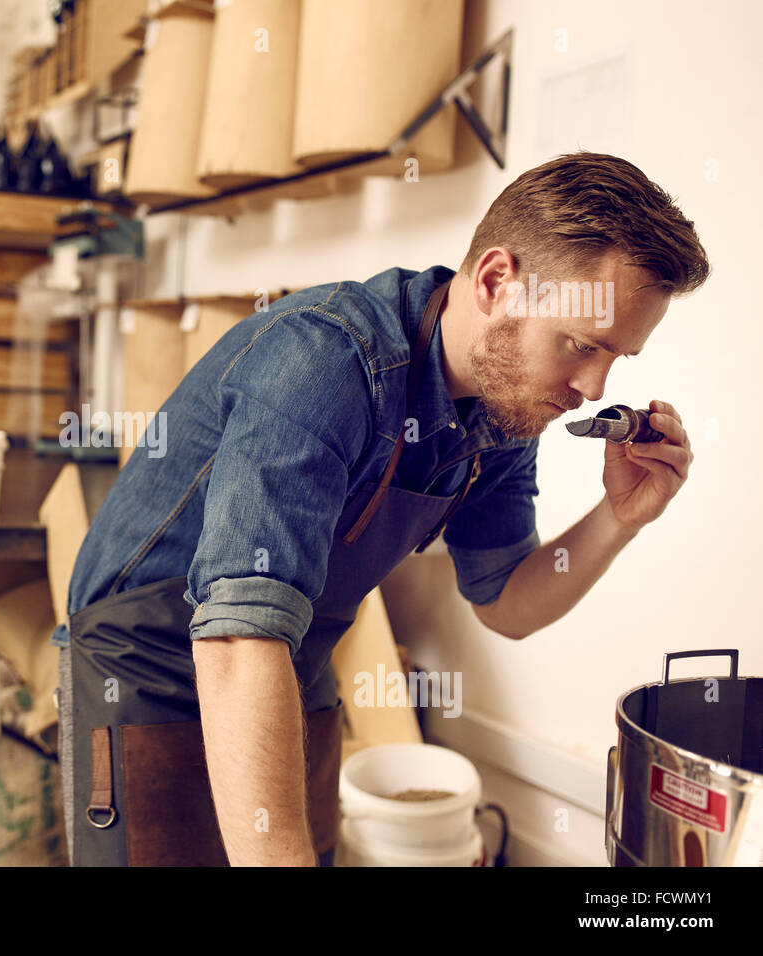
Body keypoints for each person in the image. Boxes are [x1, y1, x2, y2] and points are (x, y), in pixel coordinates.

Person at [53, 151, 711, 866]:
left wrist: (620, 517)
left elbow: (505, 602)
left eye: (616, 358)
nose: (592, 385)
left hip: (291, 668)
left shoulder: (504, 412)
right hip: (150, 667)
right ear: (496, 283)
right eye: (582, 345)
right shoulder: (323, 361)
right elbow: (238, 640)